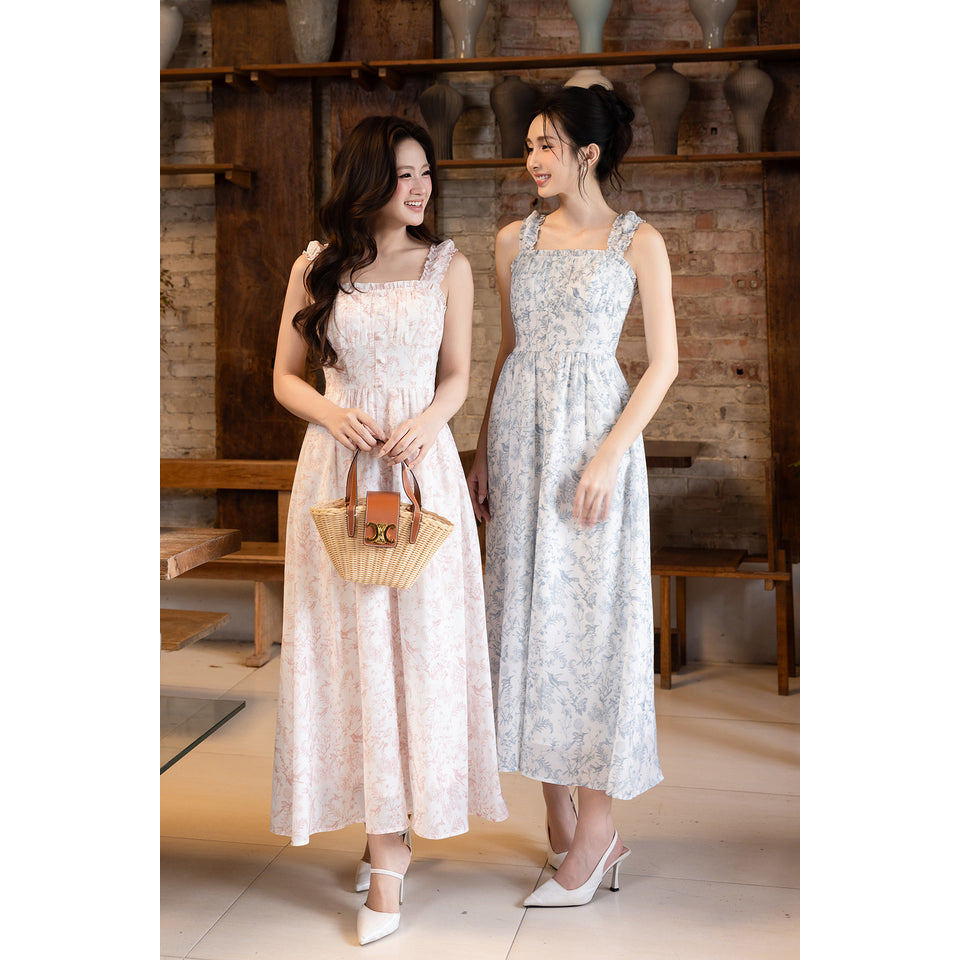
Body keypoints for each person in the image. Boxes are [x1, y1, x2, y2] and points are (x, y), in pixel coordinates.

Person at [270, 115, 507, 945]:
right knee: (351, 652)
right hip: (340, 473)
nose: (420, 188)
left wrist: (430, 423)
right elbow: (285, 379)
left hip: (415, 472)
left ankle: (397, 833)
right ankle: (383, 840)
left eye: (426, 173)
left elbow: (457, 377)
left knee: (420, 649)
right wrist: (332, 413)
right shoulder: (316, 265)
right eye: (405, 174)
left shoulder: (449, 266)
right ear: (368, 179)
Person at [467, 85, 678, 908]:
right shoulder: (512, 240)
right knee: (527, 620)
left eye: (546, 145)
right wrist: (483, 451)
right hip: (519, 444)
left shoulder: (639, 242)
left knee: (590, 632)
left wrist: (609, 457)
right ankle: (559, 817)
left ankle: (597, 829)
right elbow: (508, 348)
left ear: (588, 154)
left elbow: (664, 364)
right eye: (528, 146)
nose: (532, 160)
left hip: (595, 442)